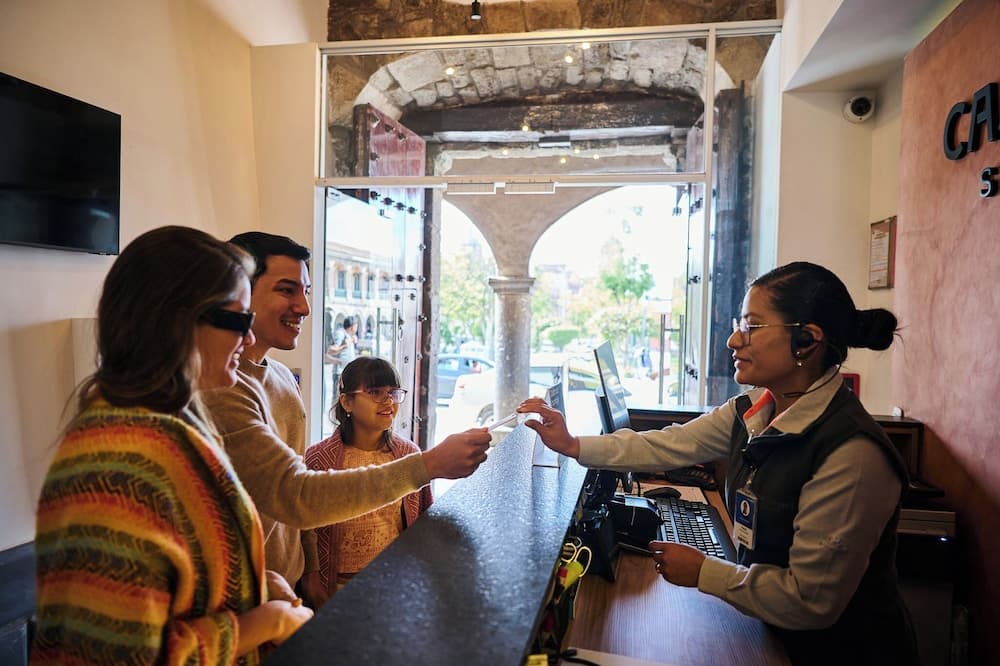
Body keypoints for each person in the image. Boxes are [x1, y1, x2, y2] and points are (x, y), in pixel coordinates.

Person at [518, 261, 918, 666]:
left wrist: (704, 572)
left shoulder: (852, 453)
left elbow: (808, 602)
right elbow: (670, 444)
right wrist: (573, 445)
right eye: (738, 324)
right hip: (769, 633)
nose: (733, 340)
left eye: (752, 327)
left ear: (806, 340)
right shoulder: (754, 409)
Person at [32, 226, 312, 664]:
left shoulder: (172, 428)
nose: (248, 339)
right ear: (179, 324)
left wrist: (254, 587)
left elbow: (179, 577)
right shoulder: (121, 464)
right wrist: (267, 622)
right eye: (239, 320)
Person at [201, 232, 490, 599]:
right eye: (287, 290)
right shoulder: (222, 388)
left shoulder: (281, 378)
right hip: (244, 597)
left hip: (280, 589)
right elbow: (296, 494)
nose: (304, 307)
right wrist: (428, 465)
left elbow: (293, 497)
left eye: (306, 291)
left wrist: (302, 571)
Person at [301, 357, 433, 606]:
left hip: (394, 583)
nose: (388, 401)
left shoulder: (408, 455)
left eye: (393, 392)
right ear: (347, 402)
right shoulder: (319, 457)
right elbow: (305, 527)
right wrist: (311, 573)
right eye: (375, 392)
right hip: (335, 587)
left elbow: (425, 520)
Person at [328, 316, 358, 398]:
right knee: (338, 397)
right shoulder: (340, 333)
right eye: (356, 325)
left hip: (347, 373)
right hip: (340, 373)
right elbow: (330, 350)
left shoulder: (349, 336)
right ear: (352, 326)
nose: (357, 328)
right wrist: (344, 346)